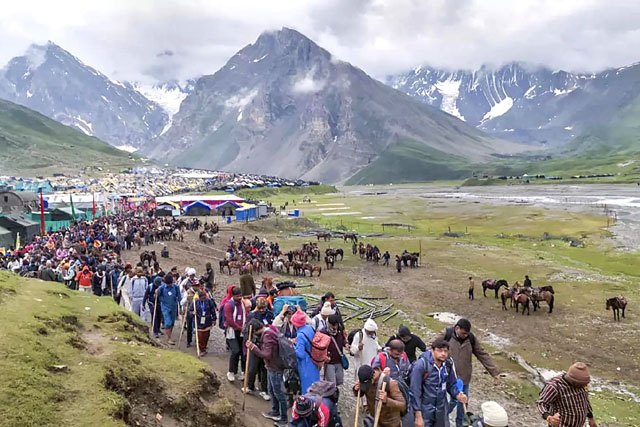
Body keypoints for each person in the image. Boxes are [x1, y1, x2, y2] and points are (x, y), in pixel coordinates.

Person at [437, 319, 498, 427]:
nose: (465, 335)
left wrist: (494, 371)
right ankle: (441, 417)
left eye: (467, 333)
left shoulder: (471, 338)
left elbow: (481, 353)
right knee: (452, 401)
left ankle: (460, 424)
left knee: (463, 404)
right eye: (463, 333)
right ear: (457, 328)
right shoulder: (447, 334)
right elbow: (432, 347)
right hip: (448, 377)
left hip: (465, 377)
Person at [410, 338, 467, 427]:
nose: (443, 354)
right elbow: (415, 391)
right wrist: (418, 416)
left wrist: (457, 395)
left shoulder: (447, 365)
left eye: (445, 351)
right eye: (440, 351)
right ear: (432, 350)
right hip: (425, 410)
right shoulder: (421, 366)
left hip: (441, 410)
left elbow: (451, 384)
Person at [245, 319, 288, 427]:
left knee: (279, 393)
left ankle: (284, 418)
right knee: (271, 390)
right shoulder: (270, 329)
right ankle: (275, 412)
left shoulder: (267, 336)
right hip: (271, 366)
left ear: (255, 330)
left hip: (275, 367)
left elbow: (266, 354)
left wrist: (253, 347)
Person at [536, 362, 597, 427]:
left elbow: (585, 400)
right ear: (573, 381)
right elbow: (541, 403)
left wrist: (591, 418)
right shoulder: (555, 386)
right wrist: (549, 418)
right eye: (580, 384)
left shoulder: (582, 385)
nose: (583, 386)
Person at [224, 286, 249, 382]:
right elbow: (229, 320)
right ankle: (231, 371)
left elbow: (246, 314)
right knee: (235, 351)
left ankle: (243, 371)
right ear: (233, 296)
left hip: (242, 331)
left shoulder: (242, 304)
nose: (239, 298)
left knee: (243, 352)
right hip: (232, 331)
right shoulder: (228, 305)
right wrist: (239, 328)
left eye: (240, 296)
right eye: (237, 296)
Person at [294, 309, 320, 394]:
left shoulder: (300, 335)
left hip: (305, 364)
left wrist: (292, 346)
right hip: (314, 361)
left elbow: (300, 354)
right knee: (315, 386)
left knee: (307, 389)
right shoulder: (310, 328)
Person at [189, 290, 217, 356]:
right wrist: (192, 313)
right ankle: (201, 349)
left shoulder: (209, 301)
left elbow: (213, 310)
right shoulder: (195, 302)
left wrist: (214, 319)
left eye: (205, 297)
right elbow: (189, 311)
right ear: (199, 297)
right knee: (200, 336)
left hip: (207, 320)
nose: (204, 299)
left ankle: (204, 347)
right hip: (198, 321)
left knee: (206, 336)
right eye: (202, 298)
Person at [157, 274, 181, 345]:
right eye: (168, 284)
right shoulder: (161, 288)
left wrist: (180, 307)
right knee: (168, 322)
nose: (170, 285)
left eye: (170, 284)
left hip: (173, 307)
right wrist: (157, 293)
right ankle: (168, 338)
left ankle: (170, 335)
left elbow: (179, 297)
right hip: (165, 307)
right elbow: (157, 296)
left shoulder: (176, 287)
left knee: (172, 322)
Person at [325, 314, 346, 386]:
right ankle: (332, 392)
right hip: (330, 361)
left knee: (340, 380)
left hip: (339, 360)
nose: (334, 327)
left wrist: (346, 344)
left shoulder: (340, 329)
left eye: (336, 325)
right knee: (332, 383)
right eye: (332, 325)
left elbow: (343, 339)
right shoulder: (324, 332)